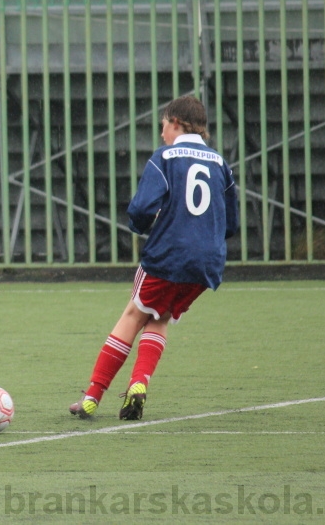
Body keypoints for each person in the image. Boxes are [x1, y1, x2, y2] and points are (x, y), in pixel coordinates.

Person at [69, 95, 239, 421]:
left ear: (175, 122)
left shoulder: (166, 156)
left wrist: (141, 226)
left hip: (168, 254)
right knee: (158, 318)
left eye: (163, 125)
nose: (162, 133)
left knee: (133, 314)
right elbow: (231, 223)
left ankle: (91, 397)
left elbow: (142, 209)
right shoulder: (220, 163)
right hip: (207, 262)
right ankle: (139, 384)